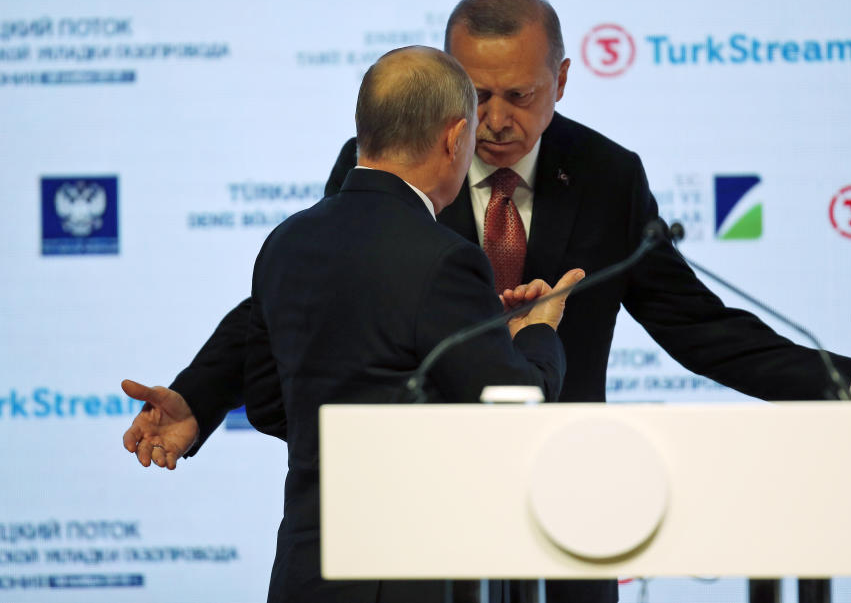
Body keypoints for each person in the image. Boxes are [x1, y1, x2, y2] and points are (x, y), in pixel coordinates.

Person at [122, 0, 851, 603]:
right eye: (476, 95)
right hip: (414, 529)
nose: (494, 119)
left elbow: (698, 324)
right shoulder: (386, 156)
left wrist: (846, 382)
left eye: (519, 94)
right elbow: (296, 291)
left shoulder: (605, 176)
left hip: (570, 514)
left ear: (561, 79)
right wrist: (199, 394)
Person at [128, 45, 580, 603]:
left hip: (306, 576)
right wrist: (538, 332)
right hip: (417, 581)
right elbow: (513, 413)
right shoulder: (446, 259)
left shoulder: (286, 242)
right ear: (454, 137)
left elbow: (270, 405)